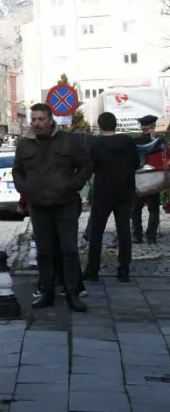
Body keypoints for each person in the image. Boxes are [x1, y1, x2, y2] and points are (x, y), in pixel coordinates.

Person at [13, 103, 93, 312]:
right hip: (39, 205)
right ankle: (46, 292)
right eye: (34, 119)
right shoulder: (24, 145)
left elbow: (86, 165)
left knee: (69, 250)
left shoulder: (68, 141)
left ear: (50, 120)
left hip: (65, 204)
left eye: (41, 119)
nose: (37, 123)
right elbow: (17, 171)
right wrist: (25, 189)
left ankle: (72, 292)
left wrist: (73, 185)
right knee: (44, 252)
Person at [83, 112, 141, 283]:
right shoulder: (128, 142)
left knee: (96, 232)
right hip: (125, 192)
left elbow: (91, 167)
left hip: (103, 193)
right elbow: (137, 163)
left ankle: (93, 270)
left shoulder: (96, 144)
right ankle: (124, 271)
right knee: (124, 231)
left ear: (100, 126)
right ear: (115, 124)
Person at [133, 114, 162, 244]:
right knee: (135, 209)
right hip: (139, 179)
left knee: (154, 210)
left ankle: (151, 235)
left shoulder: (160, 141)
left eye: (147, 125)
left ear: (153, 126)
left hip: (154, 179)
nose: (144, 127)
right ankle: (137, 235)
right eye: (142, 125)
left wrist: (154, 138)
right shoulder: (135, 141)